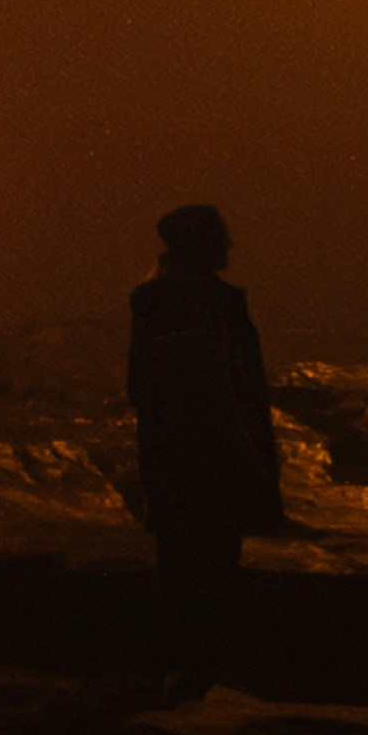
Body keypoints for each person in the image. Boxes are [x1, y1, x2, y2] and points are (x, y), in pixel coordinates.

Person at [126, 204, 287, 700]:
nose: (229, 246)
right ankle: (199, 669)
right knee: (216, 563)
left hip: (170, 450)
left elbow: (140, 386)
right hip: (220, 451)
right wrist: (254, 455)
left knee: (175, 561)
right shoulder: (221, 304)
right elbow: (242, 388)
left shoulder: (152, 303)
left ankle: (169, 664)